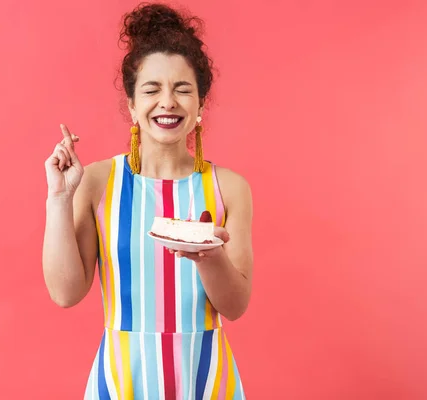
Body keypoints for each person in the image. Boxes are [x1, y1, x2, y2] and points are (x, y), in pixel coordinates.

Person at [42, 3, 253, 398]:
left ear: (201, 105)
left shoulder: (230, 187)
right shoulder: (98, 181)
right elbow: (65, 293)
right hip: (123, 378)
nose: (167, 102)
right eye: (152, 89)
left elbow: (236, 306)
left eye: (183, 89)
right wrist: (59, 197)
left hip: (205, 377)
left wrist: (209, 255)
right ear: (132, 105)